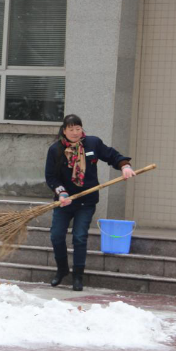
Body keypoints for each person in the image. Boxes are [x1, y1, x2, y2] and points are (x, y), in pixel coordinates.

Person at [44, 114, 135, 291]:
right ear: (64, 131)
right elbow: (51, 177)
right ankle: (62, 269)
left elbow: (112, 155)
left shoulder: (92, 144)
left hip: (86, 202)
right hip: (64, 202)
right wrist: (61, 193)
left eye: (78, 128)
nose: (75, 132)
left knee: (79, 237)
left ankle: (78, 276)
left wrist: (124, 166)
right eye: (71, 129)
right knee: (56, 236)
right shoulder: (55, 150)